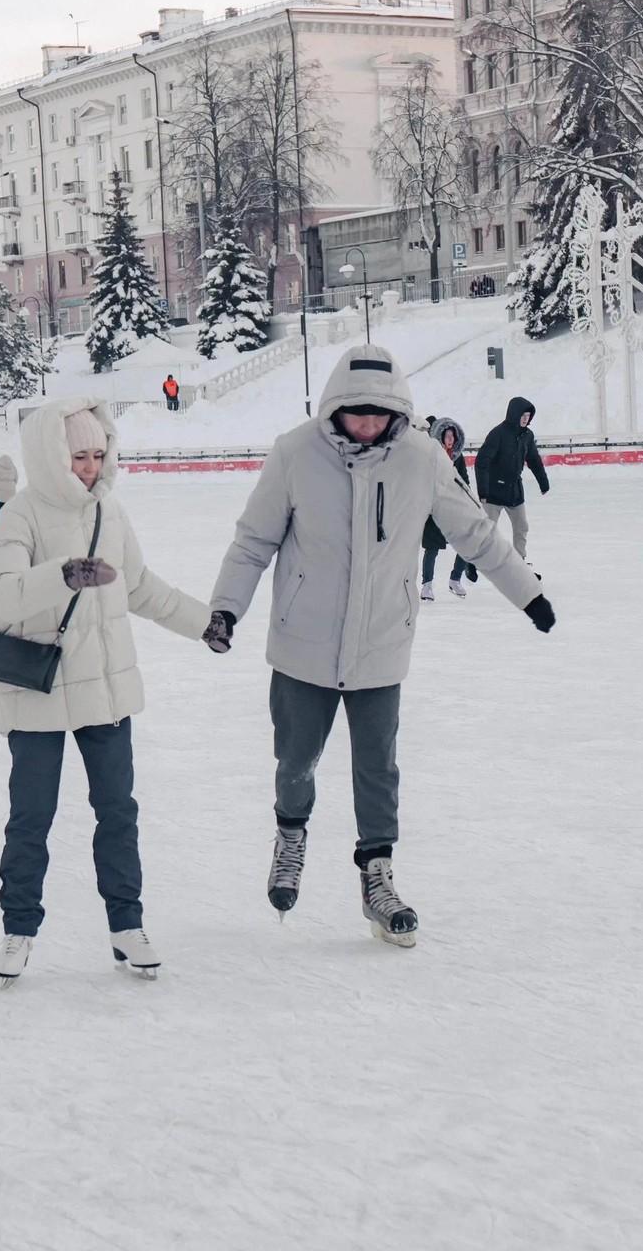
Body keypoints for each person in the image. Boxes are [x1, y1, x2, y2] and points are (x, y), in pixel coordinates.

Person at [203, 345, 555, 949]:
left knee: (378, 769)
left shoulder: (420, 459)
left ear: (396, 411)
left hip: (381, 643)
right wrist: (225, 609)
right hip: (302, 645)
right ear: (334, 407)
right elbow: (252, 542)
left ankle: (377, 876)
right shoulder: (295, 454)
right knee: (295, 761)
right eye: (354, 414)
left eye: (376, 414)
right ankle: (291, 838)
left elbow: (475, 532)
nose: (365, 426)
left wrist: (529, 596)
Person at [0, 398, 214, 984]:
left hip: (105, 692)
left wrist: (202, 621)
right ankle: (18, 930)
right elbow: (0, 596)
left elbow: (139, 587)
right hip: (38, 691)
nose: (89, 466)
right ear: (52, 457)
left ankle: (126, 925)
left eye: (96, 454)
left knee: (117, 813)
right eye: (77, 456)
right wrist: (62, 574)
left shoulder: (111, 512)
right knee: (31, 818)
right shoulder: (21, 517)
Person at [473, 396, 550, 560]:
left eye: (528, 416)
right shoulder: (498, 433)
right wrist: (483, 491)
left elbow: (534, 460)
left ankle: (519, 562)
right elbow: (481, 461)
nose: (525, 419)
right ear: (514, 414)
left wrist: (543, 482)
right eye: (523, 415)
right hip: (493, 491)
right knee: (487, 530)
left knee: (522, 527)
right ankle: (474, 562)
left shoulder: (527, 436)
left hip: (514, 490)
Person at [420, 417, 477, 600]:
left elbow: (464, 481)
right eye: (447, 435)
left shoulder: (457, 458)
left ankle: (455, 579)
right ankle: (426, 586)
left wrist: (468, 499)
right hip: (434, 509)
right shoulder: (431, 456)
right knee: (432, 549)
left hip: (453, 509)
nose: (450, 439)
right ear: (441, 437)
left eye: (453, 436)